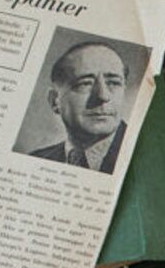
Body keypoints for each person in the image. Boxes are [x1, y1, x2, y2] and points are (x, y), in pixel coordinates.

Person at [26, 40, 130, 173]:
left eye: (114, 83)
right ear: (55, 101)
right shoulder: (35, 160)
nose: (103, 96)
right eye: (85, 84)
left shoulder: (141, 152)